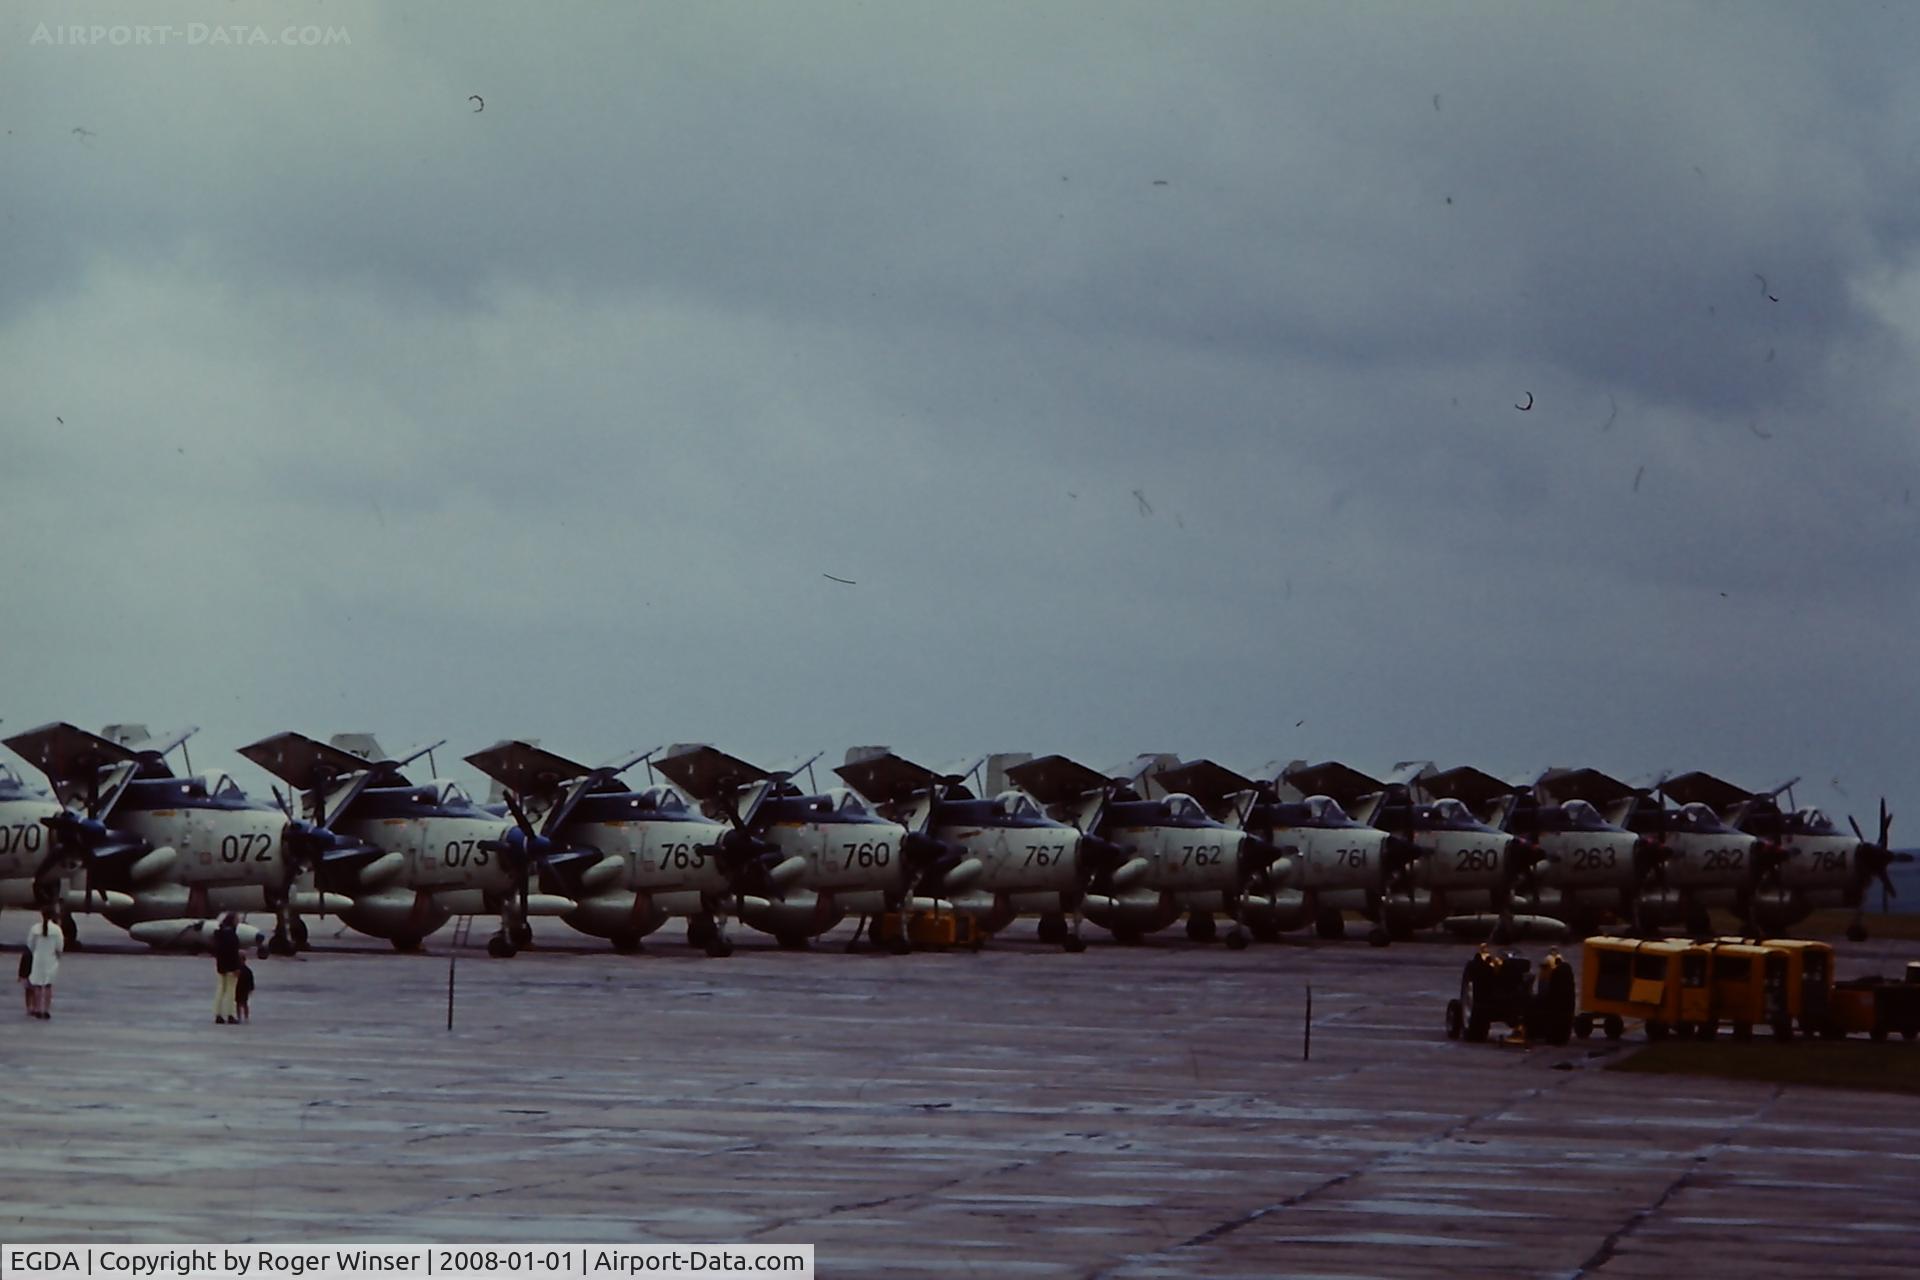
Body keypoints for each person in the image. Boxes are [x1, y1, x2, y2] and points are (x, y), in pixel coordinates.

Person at [24, 906, 64, 1020]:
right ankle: (45, 1009)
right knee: (47, 986)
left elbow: (30, 945)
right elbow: (59, 947)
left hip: (38, 959)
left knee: (37, 985)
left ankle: (37, 1008)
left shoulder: (35, 929)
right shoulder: (57, 930)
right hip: (50, 959)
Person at [212, 913, 243, 1024]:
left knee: (220, 990)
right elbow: (233, 953)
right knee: (231, 991)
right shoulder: (232, 936)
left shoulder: (219, 934)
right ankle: (230, 1014)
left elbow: (219, 951)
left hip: (221, 966)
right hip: (231, 967)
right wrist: (236, 967)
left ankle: (218, 1014)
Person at [234, 958, 254, 1023]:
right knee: (238, 1003)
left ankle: (245, 1017)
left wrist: (251, 988)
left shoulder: (247, 970)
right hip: (238, 988)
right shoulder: (238, 970)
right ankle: (239, 1017)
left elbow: (251, 980)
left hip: (244, 988)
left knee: (244, 1003)